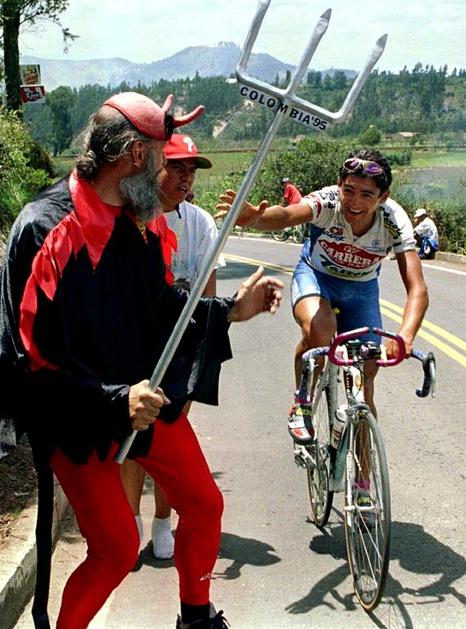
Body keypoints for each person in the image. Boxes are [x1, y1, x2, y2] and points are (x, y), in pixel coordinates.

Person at [0, 91, 283, 629]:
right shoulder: (46, 229)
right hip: (78, 415)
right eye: (160, 157)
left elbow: (159, 308)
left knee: (204, 504)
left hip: (143, 397)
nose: (167, 171)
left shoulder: (143, 220)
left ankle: (195, 619)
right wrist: (113, 401)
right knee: (115, 549)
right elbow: (28, 356)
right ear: (135, 156)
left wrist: (230, 311)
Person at [216, 149, 428, 452]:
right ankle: (303, 401)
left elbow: (417, 288)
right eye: (348, 190)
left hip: (361, 290)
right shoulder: (327, 202)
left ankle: (365, 474)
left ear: (383, 197)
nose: (354, 202)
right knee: (320, 330)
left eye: (367, 195)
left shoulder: (394, 220)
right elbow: (288, 215)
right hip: (316, 278)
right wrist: (256, 218)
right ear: (338, 186)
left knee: (365, 381)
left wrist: (405, 335)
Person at [120, 132, 226, 561]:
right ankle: (131, 521)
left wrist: (200, 354)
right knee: (132, 435)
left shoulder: (200, 224)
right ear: (154, 167)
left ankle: (163, 520)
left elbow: (208, 296)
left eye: (191, 170)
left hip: (180, 348)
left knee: (171, 432)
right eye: (176, 167)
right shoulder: (130, 216)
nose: (185, 177)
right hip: (133, 346)